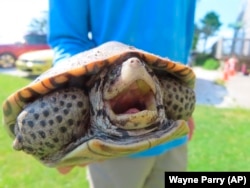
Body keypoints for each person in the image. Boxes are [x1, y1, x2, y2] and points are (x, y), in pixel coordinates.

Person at [48, 1, 196, 187]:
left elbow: (184, 34)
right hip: (109, 141)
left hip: (173, 127)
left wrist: (185, 101)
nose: (135, 67)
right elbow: (68, 37)